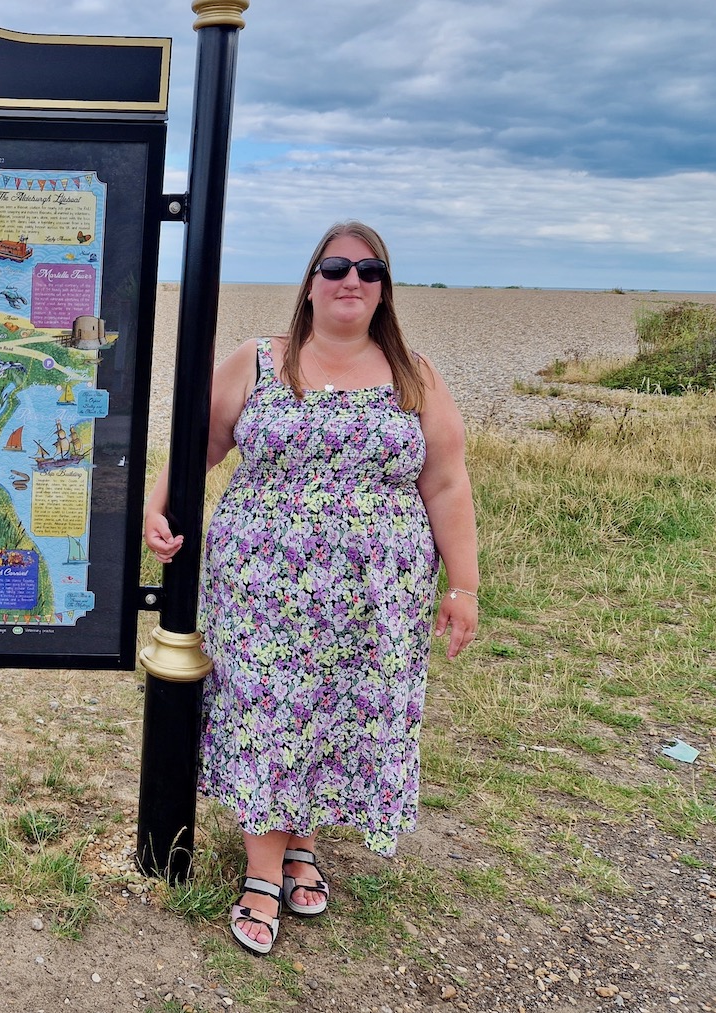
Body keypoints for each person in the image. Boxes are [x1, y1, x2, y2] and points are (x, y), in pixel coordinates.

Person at [143, 221, 479, 956]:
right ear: (310, 281)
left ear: (385, 288)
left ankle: (302, 840)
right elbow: (201, 442)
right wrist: (158, 506)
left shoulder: (414, 373)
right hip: (263, 589)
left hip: (372, 598)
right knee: (272, 706)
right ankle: (263, 870)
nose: (350, 280)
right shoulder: (260, 362)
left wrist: (464, 584)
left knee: (336, 712)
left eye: (367, 270)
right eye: (334, 267)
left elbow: (446, 480)